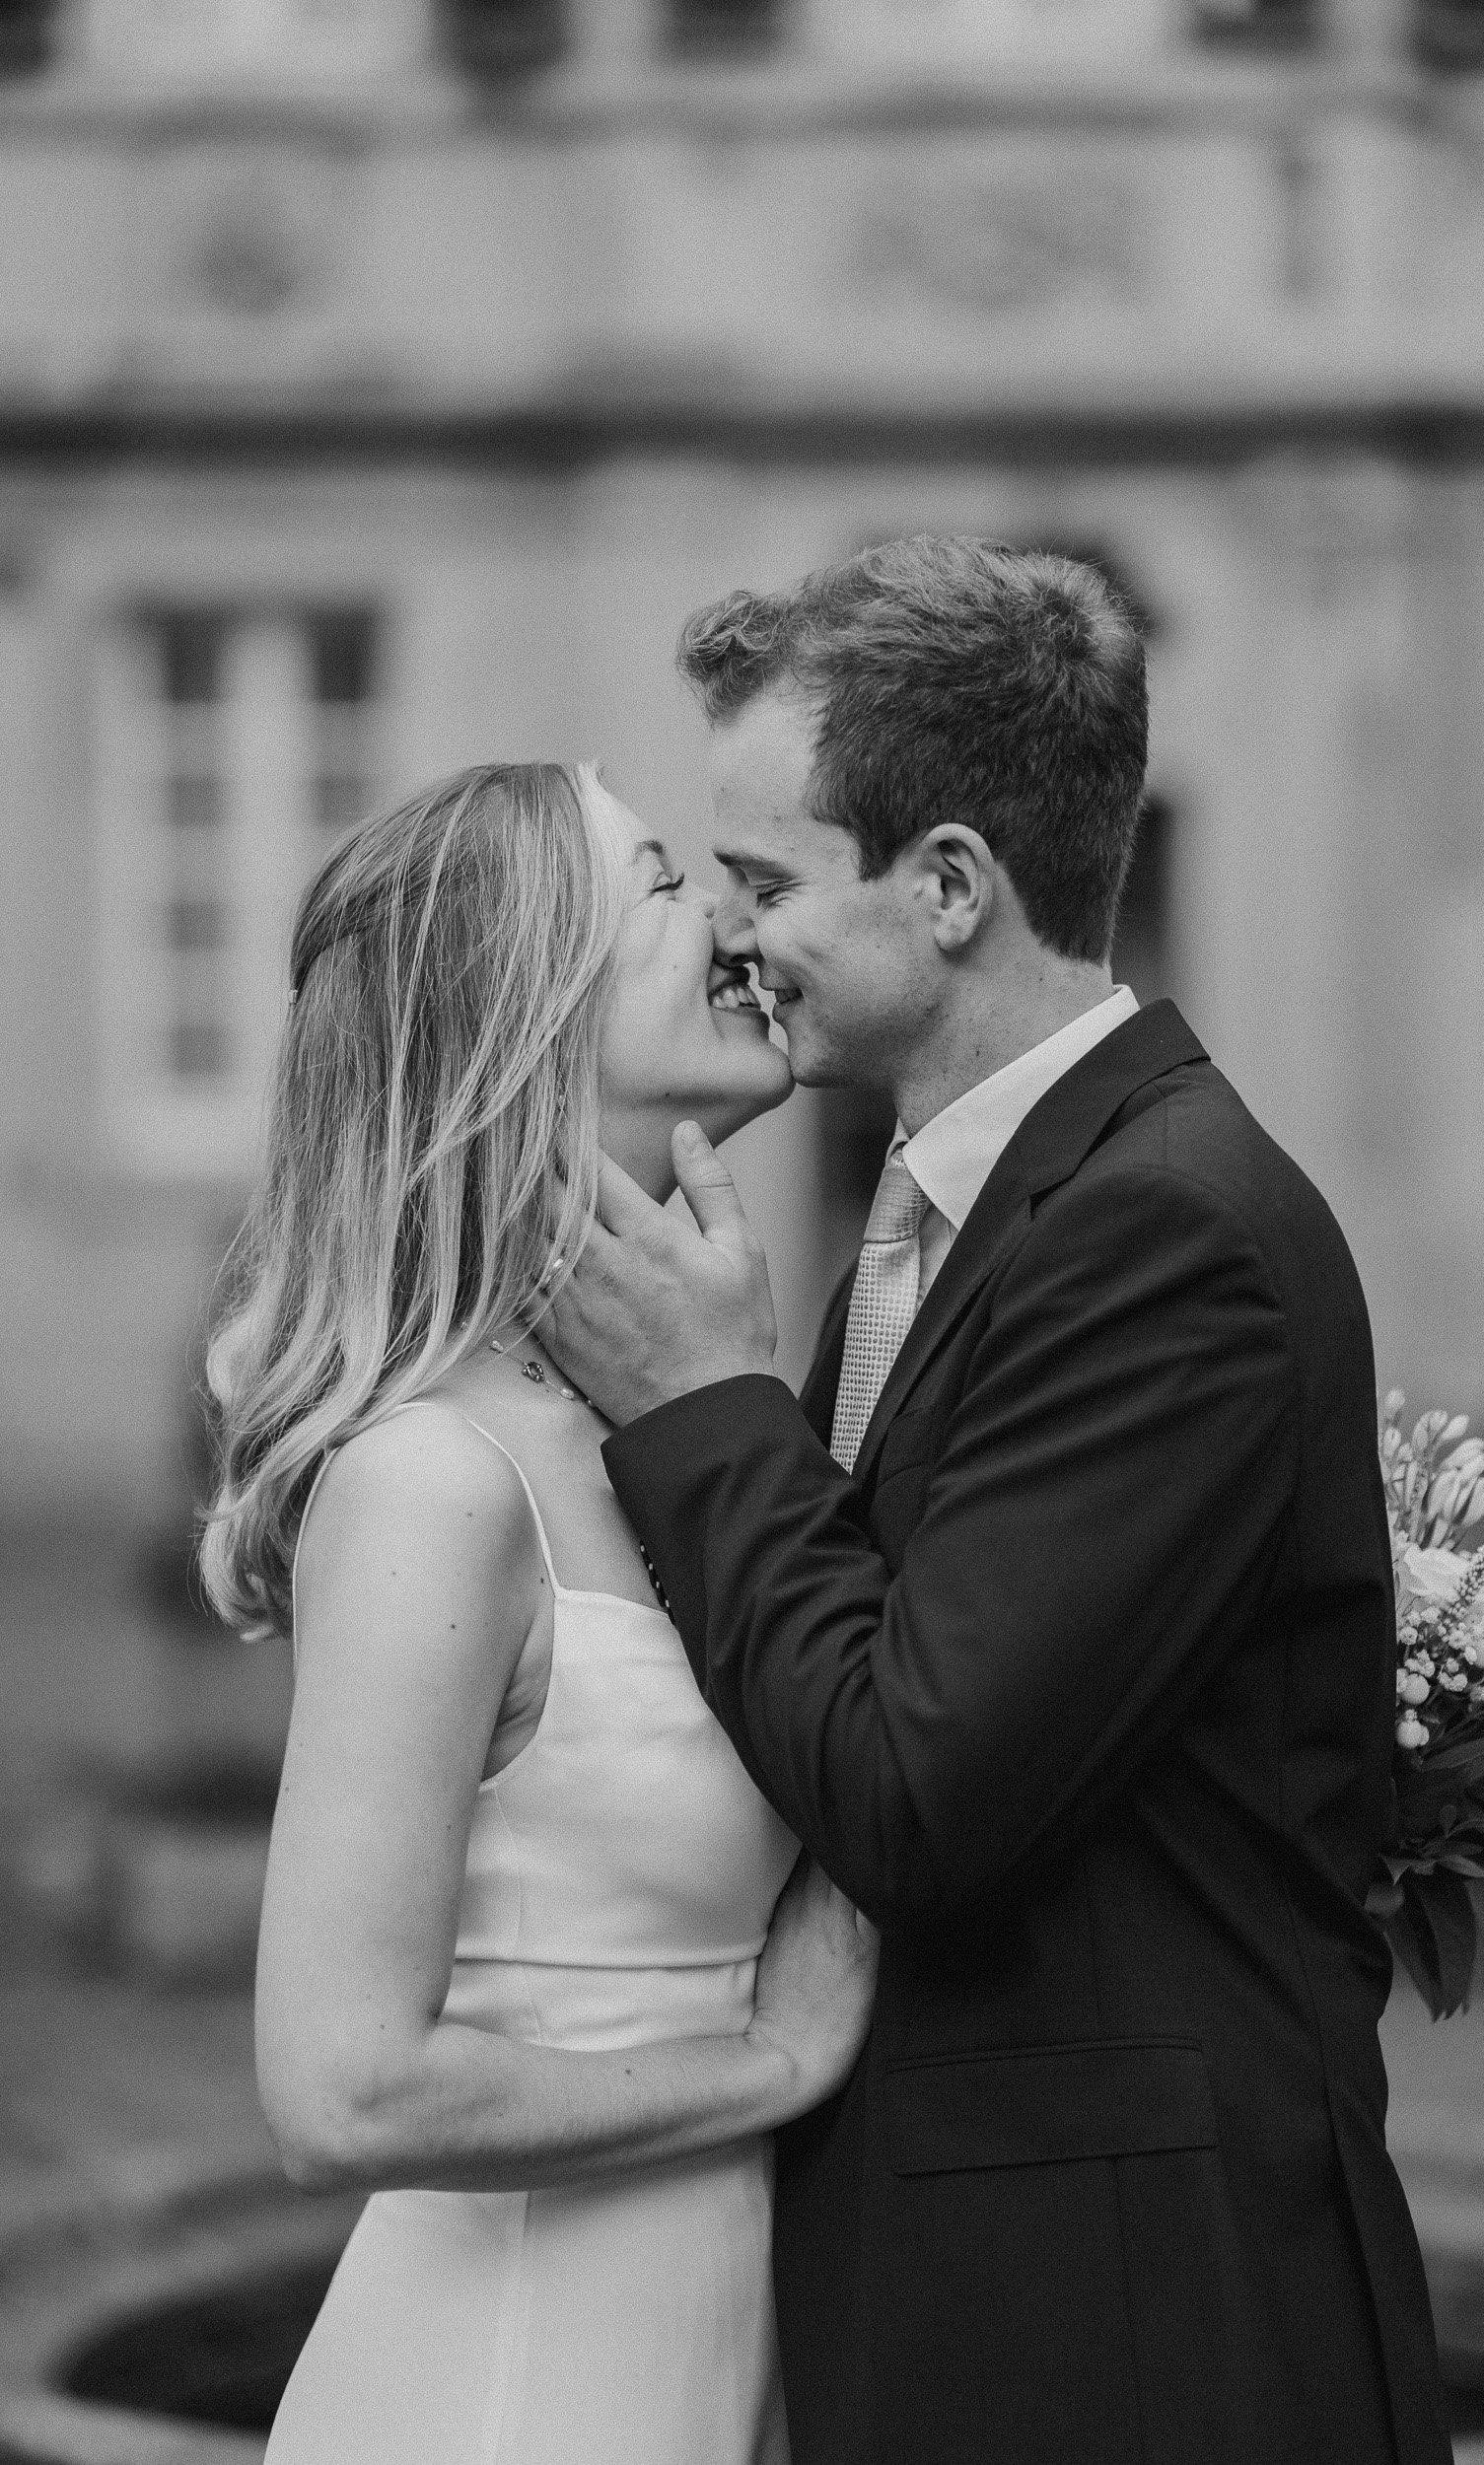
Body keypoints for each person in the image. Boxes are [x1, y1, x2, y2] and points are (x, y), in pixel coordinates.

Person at [540, 538, 1455, 2465]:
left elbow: (916, 1788)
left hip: (1128, 2338)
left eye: (771, 881)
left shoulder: (1159, 1234)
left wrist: (704, 1408)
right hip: (1014, 2297)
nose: (730, 931)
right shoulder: (975, 1200)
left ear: (950, 883)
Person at [201, 760, 877, 2465]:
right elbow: (341, 2088)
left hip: (721, 2368)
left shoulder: (670, 1426)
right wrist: (771, 2066)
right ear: (529, 1005)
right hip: (510, 2395)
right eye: (659, 884)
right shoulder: (436, 1483)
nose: (729, 921)